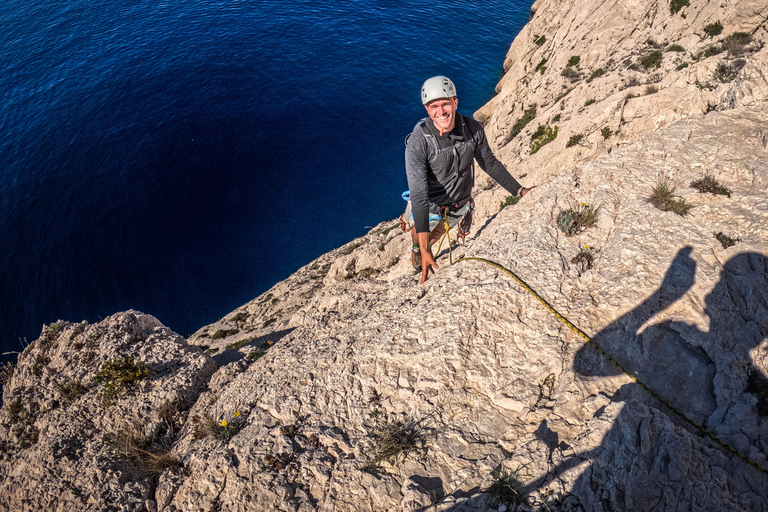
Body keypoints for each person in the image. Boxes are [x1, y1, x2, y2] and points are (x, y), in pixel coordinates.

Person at [405, 75, 532, 283]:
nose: (441, 111)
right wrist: (425, 249)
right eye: (433, 106)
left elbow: (489, 163)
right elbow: (418, 195)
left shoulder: (473, 129)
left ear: (455, 102)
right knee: (419, 236)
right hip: (430, 205)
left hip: (459, 202)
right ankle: (416, 248)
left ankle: (423, 243)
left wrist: (520, 191)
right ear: (427, 110)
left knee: (436, 234)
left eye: (445, 103)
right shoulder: (419, 142)